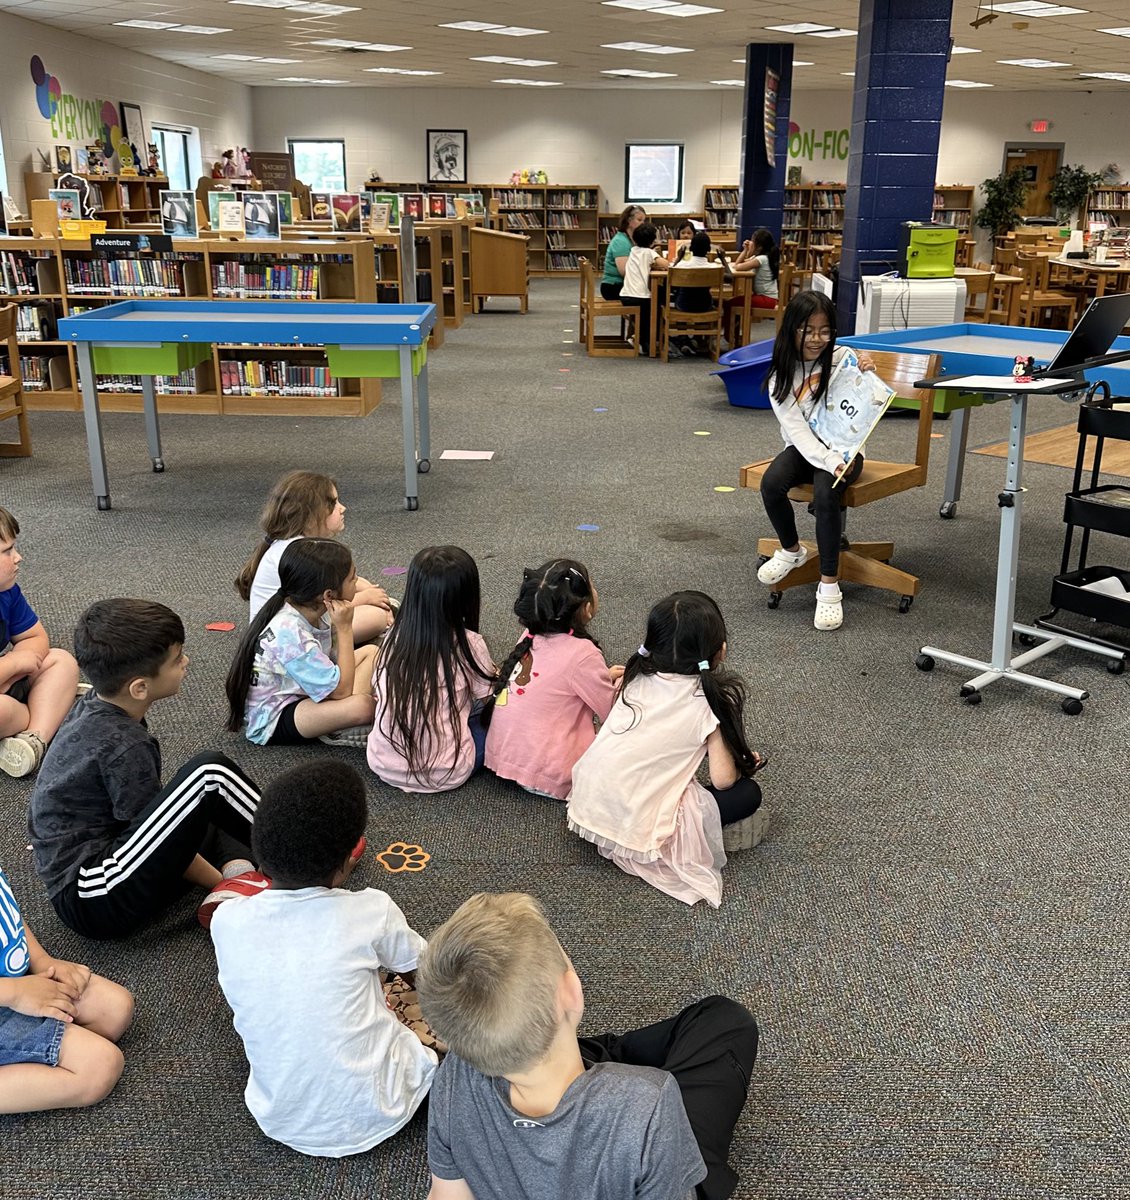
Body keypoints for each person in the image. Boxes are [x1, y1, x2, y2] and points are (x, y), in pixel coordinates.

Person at [417, 891, 759, 1200]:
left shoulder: (455, 1073)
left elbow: (447, 1194)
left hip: (587, 1086)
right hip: (643, 1128)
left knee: (590, 1053)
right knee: (725, 1021)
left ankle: (581, 1059)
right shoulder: (649, 1103)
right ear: (571, 992)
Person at [210, 760, 438, 1156]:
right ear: (350, 859)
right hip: (385, 1107)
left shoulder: (226, 920)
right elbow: (428, 973)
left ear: (260, 858)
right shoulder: (372, 909)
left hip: (278, 1116)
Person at [28, 599, 261, 940]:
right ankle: (309, 851)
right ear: (139, 687)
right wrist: (220, 882)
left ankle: (238, 874)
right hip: (94, 897)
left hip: (102, 869)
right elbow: (159, 836)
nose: (187, 662)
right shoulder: (124, 744)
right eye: (177, 660)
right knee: (209, 775)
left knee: (199, 808)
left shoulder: (96, 705)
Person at [567, 591, 767, 908]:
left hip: (589, 800)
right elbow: (723, 780)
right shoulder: (709, 701)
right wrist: (740, 760)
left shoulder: (633, 678)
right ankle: (698, 837)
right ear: (720, 651)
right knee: (748, 794)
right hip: (633, 825)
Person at [755, 290, 876, 632]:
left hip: (848, 450)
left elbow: (864, 391)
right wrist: (826, 459)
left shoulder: (840, 359)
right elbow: (799, 434)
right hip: (809, 449)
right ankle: (792, 550)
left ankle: (828, 585)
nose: (817, 339)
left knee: (826, 494)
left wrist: (866, 367)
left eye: (825, 331)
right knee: (771, 483)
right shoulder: (781, 375)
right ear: (792, 329)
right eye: (808, 330)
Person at [0, 865, 134, 1114]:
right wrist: (15, 993)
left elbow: (7, 912)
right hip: (7, 995)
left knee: (115, 1009)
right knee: (100, 1068)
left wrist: (42, 960)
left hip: (13, 984)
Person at [483, 559, 620, 801]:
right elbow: (613, 714)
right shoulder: (583, 654)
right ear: (586, 607)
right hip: (552, 774)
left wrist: (599, 677)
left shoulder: (529, 634)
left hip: (504, 758)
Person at [367, 546, 495, 794]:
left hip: (382, 764)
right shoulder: (470, 644)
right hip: (447, 772)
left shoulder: (393, 637)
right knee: (496, 717)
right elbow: (488, 698)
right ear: (467, 597)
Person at [225, 538, 377, 748]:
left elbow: (333, 661)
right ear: (328, 594)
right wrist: (345, 628)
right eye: (352, 578)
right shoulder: (290, 632)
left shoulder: (314, 609)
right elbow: (340, 692)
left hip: (302, 692)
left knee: (371, 652)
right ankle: (338, 728)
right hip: (276, 717)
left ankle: (339, 718)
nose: (357, 580)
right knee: (363, 707)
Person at [235, 469, 393, 643]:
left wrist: (374, 593)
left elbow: (346, 579)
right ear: (311, 516)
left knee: (378, 601)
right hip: (285, 636)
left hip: (289, 624)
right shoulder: (301, 554)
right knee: (376, 615)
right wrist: (368, 598)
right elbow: (319, 606)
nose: (342, 508)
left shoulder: (298, 544)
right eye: (333, 504)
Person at [0, 507, 81, 778]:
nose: (18, 557)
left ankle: (32, 741)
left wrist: (16, 662)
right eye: (6, 551)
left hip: (7, 681)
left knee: (60, 660)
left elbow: (35, 638)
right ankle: (49, 712)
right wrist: (11, 665)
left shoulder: (7, 591)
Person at [619, 222, 670, 356]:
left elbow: (643, 265)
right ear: (653, 241)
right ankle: (643, 341)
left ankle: (641, 339)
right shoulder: (649, 252)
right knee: (655, 306)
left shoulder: (633, 250)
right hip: (640, 298)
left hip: (625, 295)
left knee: (652, 303)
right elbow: (666, 264)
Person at [669, 230, 719, 358]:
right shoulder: (713, 267)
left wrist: (679, 257)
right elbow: (730, 277)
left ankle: (683, 337)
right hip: (705, 306)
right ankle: (698, 338)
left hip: (683, 305)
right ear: (708, 249)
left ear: (690, 248)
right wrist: (723, 259)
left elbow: (671, 275)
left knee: (680, 295)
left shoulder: (682, 266)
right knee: (704, 297)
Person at [600, 205, 646, 300]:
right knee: (650, 296)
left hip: (623, 284)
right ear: (629, 221)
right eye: (639, 220)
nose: (643, 224)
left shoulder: (631, 240)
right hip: (613, 287)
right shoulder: (621, 241)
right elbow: (624, 271)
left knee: (652, 292)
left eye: (644, 221)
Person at [731, 226, 780, 306]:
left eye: (752, 241)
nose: (750, 243)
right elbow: (740, 263)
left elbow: (737, 266)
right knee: (737, 301)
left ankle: (736, 318)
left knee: (730, 303)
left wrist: (747, 251)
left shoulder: (760, 259)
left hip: (766, 299)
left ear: (759, 247)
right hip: (769, 298)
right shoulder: (762, 257)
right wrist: (745, 250)